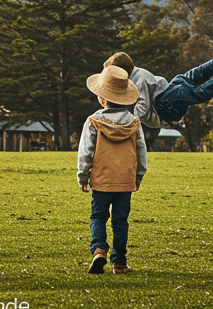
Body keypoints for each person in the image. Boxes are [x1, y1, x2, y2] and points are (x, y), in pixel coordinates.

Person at [77, 65, 146, 275]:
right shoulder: (134, 123)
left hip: (101, 179)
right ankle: (119, 262)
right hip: (125, 181)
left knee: (98, 217)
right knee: (120, 221)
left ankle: (99, 250)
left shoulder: (93, 122)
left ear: (102, 98)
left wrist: (83, 176)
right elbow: (140, 151)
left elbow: (86, 152)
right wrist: (139, 175)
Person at [107, 50, 213, 141]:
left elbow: (143, 107)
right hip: (170, 89)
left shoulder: (138, 81)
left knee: (200, 94)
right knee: (191, 76)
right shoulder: (138, 72)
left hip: (165, 106)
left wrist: (131, 120)